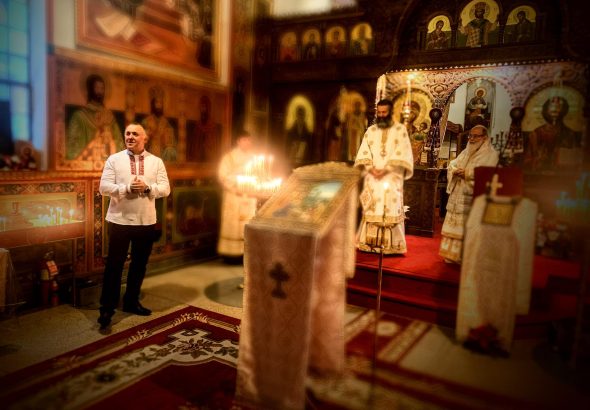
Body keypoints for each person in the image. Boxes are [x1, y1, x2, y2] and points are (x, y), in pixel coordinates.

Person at [97, 123, 170, 330]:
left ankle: (131, 301)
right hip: (119, 220)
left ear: (144, 138)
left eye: (135, 134)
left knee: (139, 264)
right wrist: (127, 187)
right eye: (127, 133)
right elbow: (103, 187)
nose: (130, 137)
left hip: (145, 220)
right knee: (114, 265)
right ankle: (107, 308)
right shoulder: (114, 159)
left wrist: (148, 188)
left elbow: (165, 189)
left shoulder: (156, 161)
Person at [354, 99, 414, 255]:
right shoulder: (371, 131)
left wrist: (386, 169)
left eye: (384, 112)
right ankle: (369, 243)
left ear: (390, 112)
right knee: (372, 206)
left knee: (390, 208)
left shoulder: (400, 130)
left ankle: (391, 246)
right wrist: (370, 168)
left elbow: (402, 153)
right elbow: (364, 151)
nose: (381, 115)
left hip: (391, 177)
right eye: (379, 112)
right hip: (372, 176)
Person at [439, 125, 499, 264]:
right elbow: (452, 164)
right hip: (458, 193)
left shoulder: (491, 154)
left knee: (468, 226)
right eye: (470, 136)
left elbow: (487, 174)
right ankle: (452, 255)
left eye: (475, 136)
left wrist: (467, 173)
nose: (471, 139)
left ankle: (466, 256)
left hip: (472, 197)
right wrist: (454, 170)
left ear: (485, 138)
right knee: (455, 225)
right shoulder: (466, 151)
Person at [217, 130, 258, 262]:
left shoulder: (254, 158)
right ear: (238, 141)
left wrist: (255, 182)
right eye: (245, 140)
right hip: (234, 196)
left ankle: (246, 254)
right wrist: (238, 181)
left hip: (249, 195)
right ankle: (231, 255)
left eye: (249, 140)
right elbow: (223, 175)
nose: (248, 143)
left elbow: (259, 174)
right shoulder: (229, 157)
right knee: (233, 225)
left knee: (247, 223)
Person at [66, 74, 124, 162]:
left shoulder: (109, 117)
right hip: (87, 164)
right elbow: (72, 148)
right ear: (90, 89)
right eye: (97, 88)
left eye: (102, 88)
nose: (100, 92)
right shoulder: (79, 116)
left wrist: (110, 141)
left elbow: (120, 143)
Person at [524, 96, 581, 171]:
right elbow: (527, 160)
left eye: (559, 106)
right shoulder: (536, 134)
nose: (555, 108)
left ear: (564, 110)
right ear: (546, 109)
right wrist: (538, 159)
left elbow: (575, 160)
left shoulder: (569, 134)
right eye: (552, 105)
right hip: (539, 173)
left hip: (561, 174)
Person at [141, 86, 175, 159]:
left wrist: (167, 143)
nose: (159, 105)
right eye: (157, 102)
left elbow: (170, 141)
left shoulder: (166, 123)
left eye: (160, 103)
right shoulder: (146, 121)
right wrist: (148, 134)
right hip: (149, 155)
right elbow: (141, 140)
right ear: (153, 104)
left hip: (162, 155)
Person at [187, 95, 222, 162]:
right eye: (201, 107)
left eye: (205, 107)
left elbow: (215, 145)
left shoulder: (212, 126)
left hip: (209, 158)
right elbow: (194, 145)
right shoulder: (197, 125)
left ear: (208, 108)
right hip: (198, 159)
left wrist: (207, 144)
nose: (203, 109)